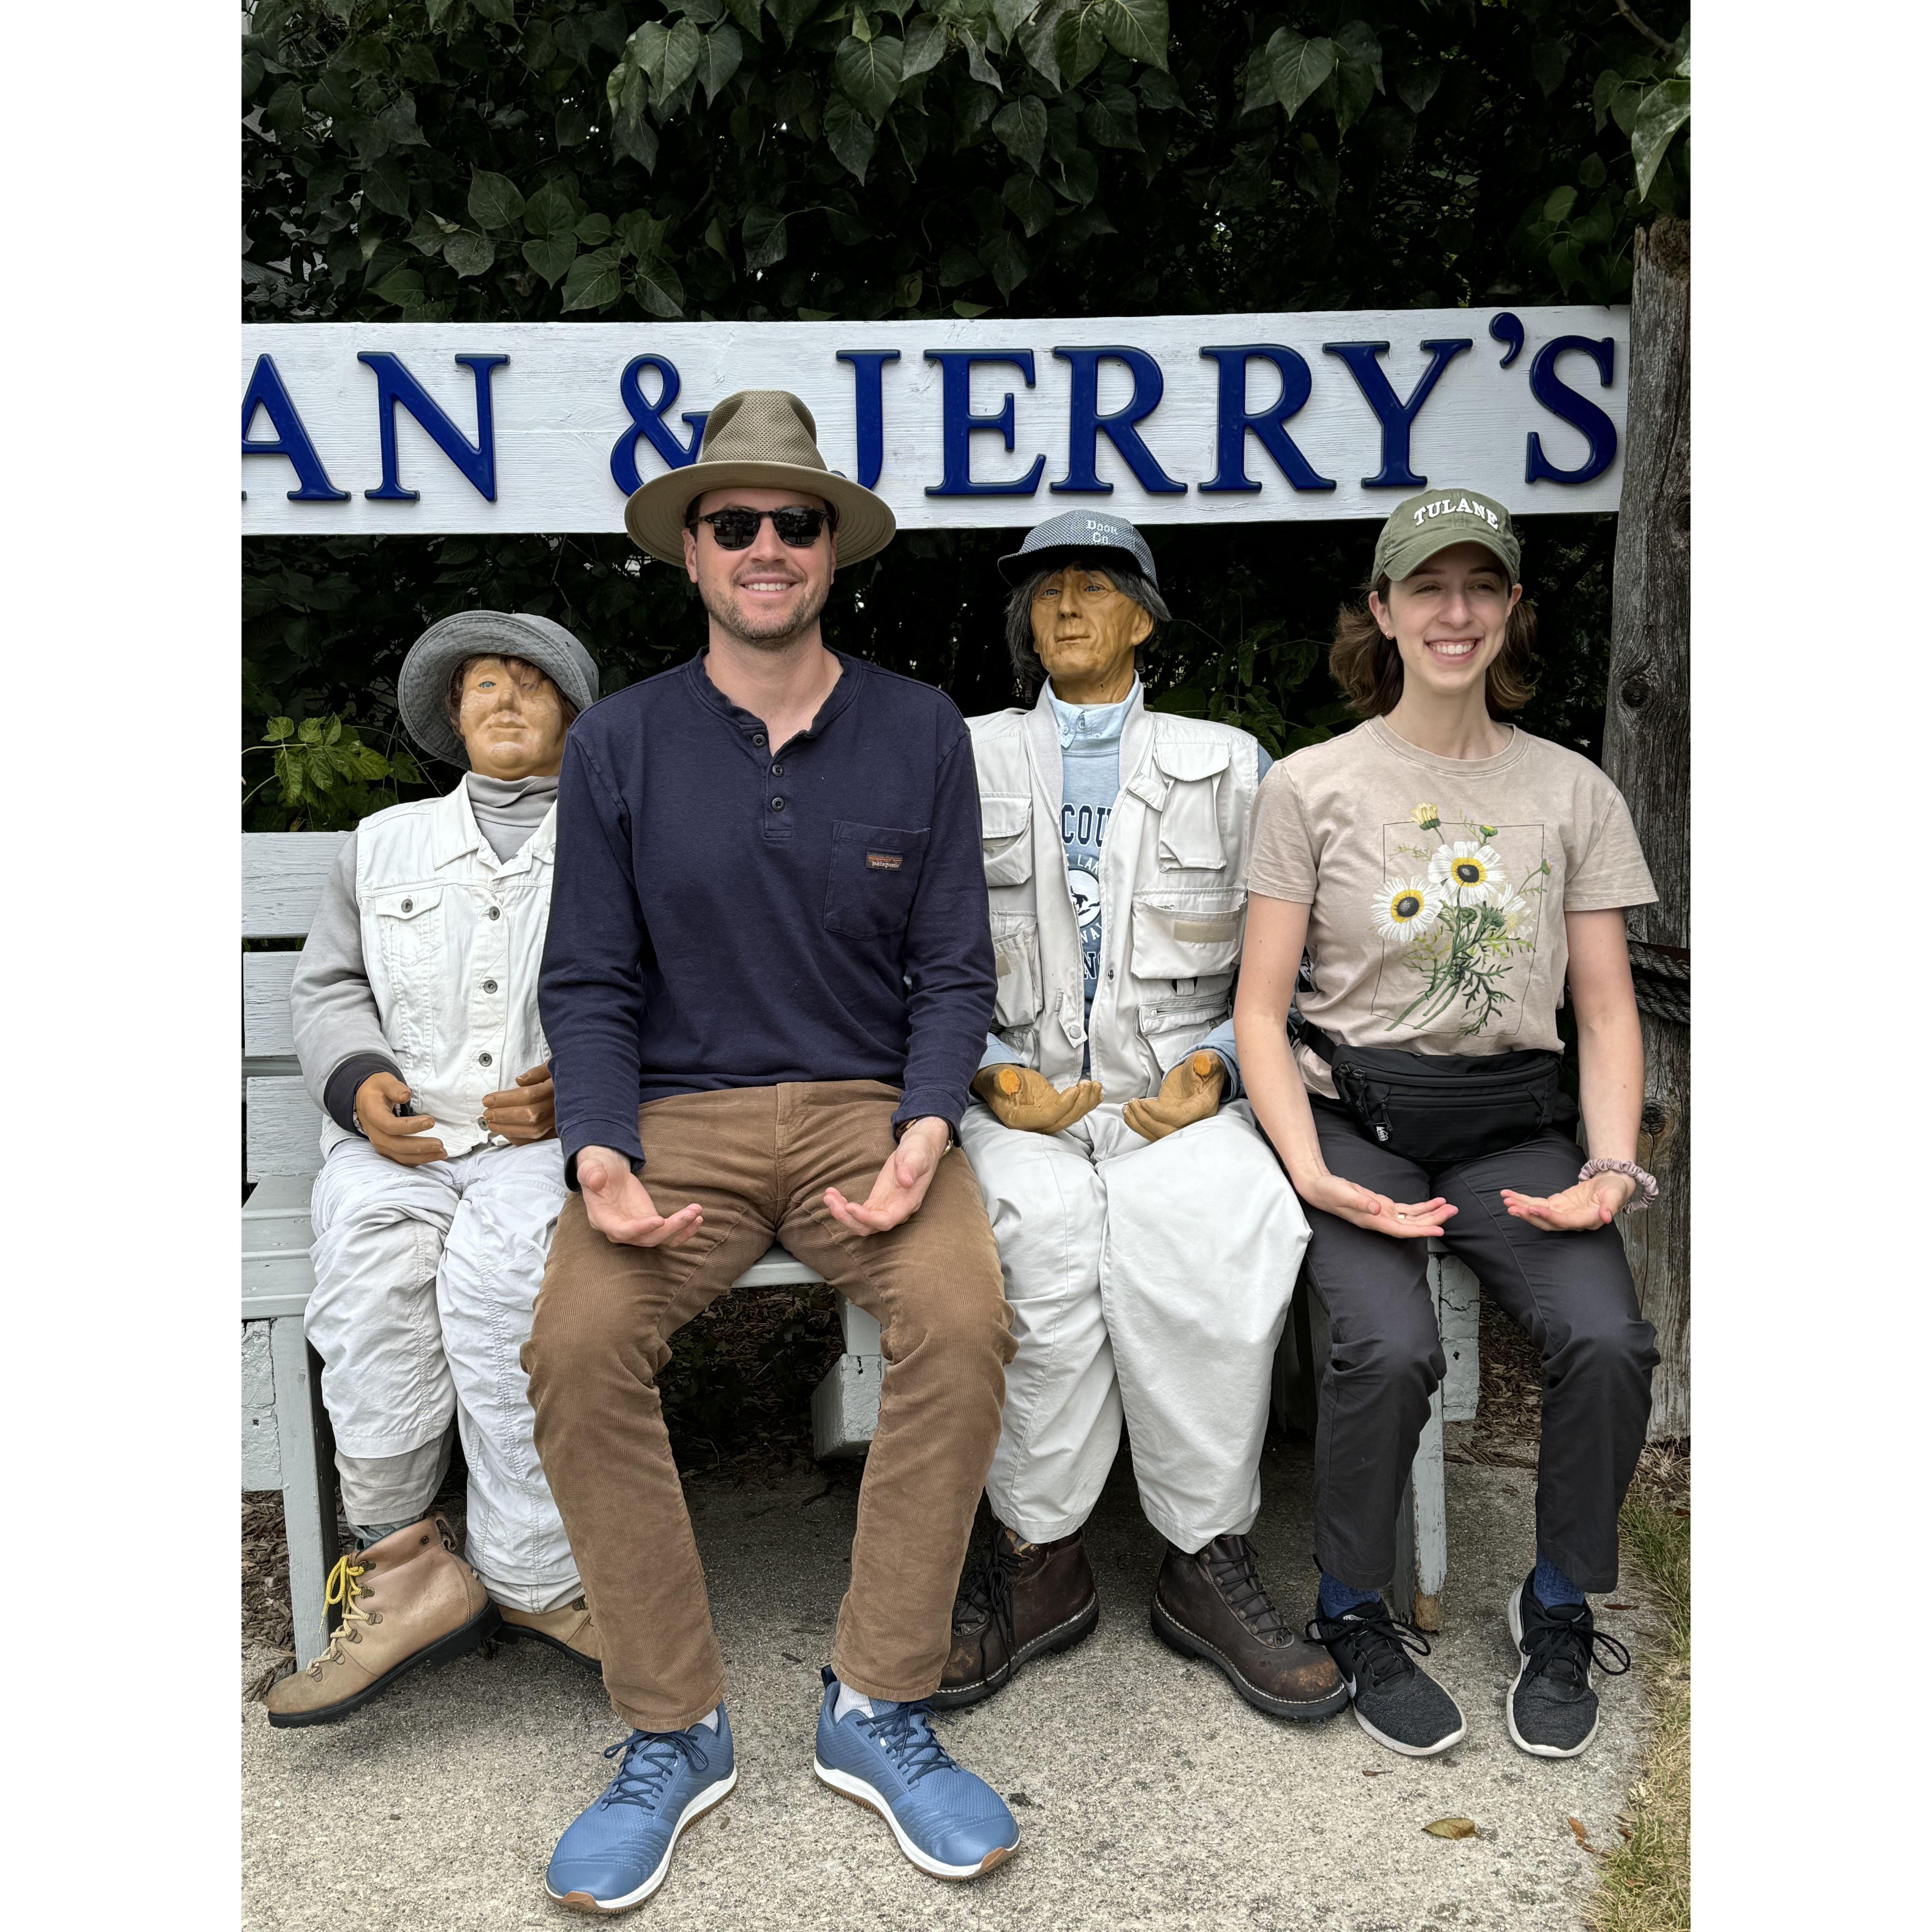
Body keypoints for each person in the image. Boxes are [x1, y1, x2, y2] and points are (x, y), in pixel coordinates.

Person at [522, 390, 1021, 1911]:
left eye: (794, 521)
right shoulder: (620, 741)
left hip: (869, 1111)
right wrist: (600, 1152)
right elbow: (588, 978)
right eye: (731, 521)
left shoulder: (919, 729)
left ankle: (878, 1701)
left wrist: (926, 1128)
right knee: (576, 1342)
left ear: (830, 549)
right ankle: (673, 1726)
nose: (764, 545)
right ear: (690, 551)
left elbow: (955, 971)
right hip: (679, 1120)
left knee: (962, 1321)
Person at [1234, 488, 1659, 1761]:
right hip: (1354, 1125)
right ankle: (1353, 1609)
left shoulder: (1573, 792)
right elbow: (1259, 1011)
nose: (1455, 612)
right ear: (1383, 609)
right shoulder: (1312, 786)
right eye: (1428, 586)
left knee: (1608, 1340)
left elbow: (1607, 1008)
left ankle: (1559, 1604)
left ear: (1514, 607)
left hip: (1510, 1131)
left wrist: (1611, 1166)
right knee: (1389, 1347)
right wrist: (1311, 1172)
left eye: (1481, 586)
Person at [936, 510, 1345, 1728]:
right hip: (1020, 1097)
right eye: (1046, 590)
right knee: (1029, 1234)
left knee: (1222, 1222)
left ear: (1146, 619)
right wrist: (988, 1073)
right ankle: (1040, 1556)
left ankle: (1205, 1558)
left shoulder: (1234, 761)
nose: (1067, 607)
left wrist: (1217, 1068)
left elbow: (1295, 957)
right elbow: (908, 952)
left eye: (1097, 586)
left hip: (1180, 1092)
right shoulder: (961, 756)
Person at [271, 613, 605, 1727]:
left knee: (513, 1290)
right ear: (453, 716)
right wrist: (357, 1079)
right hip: (397, 1142)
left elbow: (664, 990)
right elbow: (330, 988)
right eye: (483, 685)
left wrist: (584, 1083)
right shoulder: (382, 843)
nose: (506, 699)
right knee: (370, 1284)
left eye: (531, 683)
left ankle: (533, 1574)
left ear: (573, 717)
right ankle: (404, 1565)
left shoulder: (619, 841)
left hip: (539, 1147)